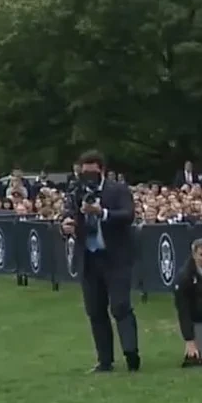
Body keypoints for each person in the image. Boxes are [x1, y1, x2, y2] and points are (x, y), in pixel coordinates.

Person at [59, 150, 141, 372]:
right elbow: (68, 213)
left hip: (116, 258)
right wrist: (66, 224)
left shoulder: (117, 190)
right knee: (95, 310)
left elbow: (128, 215)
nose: (87, 178)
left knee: (120, 306)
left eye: (91, 173)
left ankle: (132, 354)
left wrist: (102, 212)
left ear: (101, 170)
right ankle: (105, 361)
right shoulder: (76, 190)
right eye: (83, 173)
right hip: (89, 257)